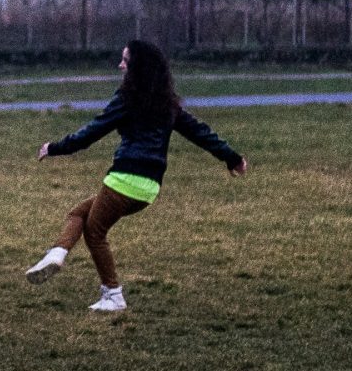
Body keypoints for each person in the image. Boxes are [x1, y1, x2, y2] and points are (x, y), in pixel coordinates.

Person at [27, 39, 246, 312]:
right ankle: (57, 253)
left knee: (94, 233)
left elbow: (92, 131)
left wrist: (54, 148)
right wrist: (232, 157)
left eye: (125, 61)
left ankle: (113, 294)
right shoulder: (169, 104)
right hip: (149, 189)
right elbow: (200, 132)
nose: (120, 65)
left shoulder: (127, 100)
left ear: (137, 68)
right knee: (79, 214)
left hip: (125, 178)